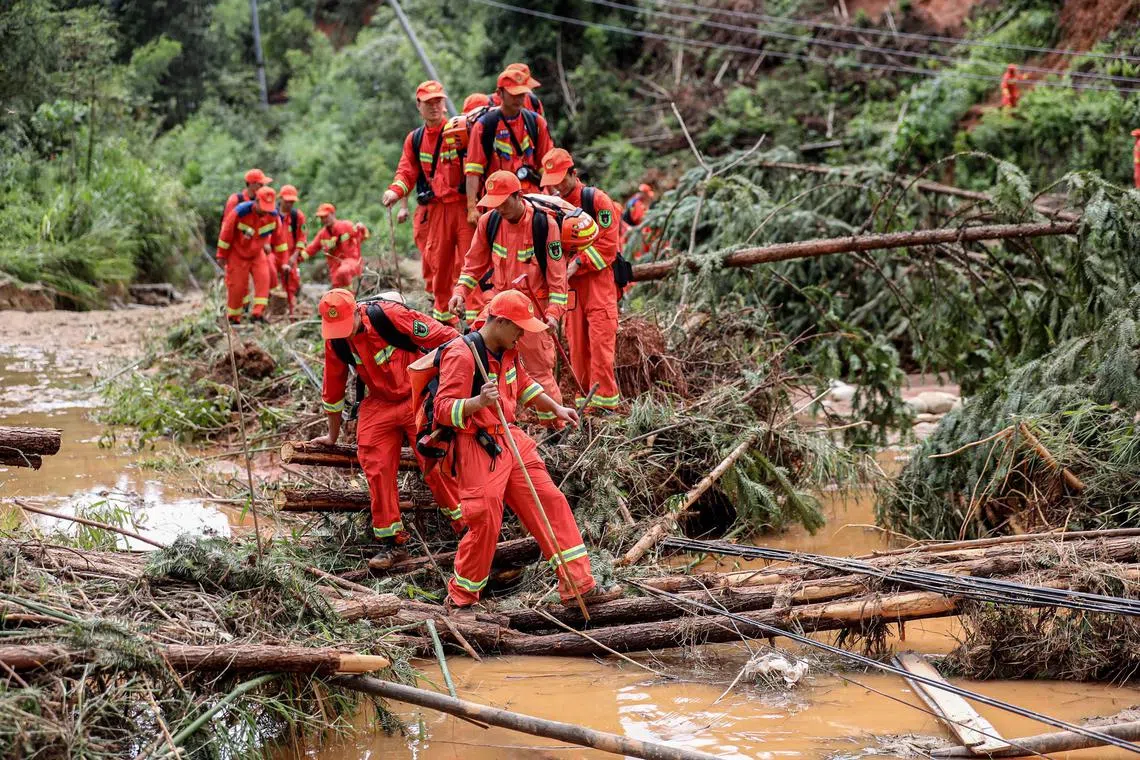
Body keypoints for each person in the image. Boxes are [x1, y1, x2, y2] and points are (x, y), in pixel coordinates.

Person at [433, 289, 615, 610]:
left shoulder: (509, 348)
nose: (522, 333)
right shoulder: (462, 355)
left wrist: (556, 408)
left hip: (511, 437)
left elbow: (526, 384)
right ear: (500, 321)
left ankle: (578, 585)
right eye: (518, 327)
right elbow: (443, 410)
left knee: (551, 501)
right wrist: (479, 402)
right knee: (485, 519)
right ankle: (461, 599)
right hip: (478, 444)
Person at [312, 288, 463, 560]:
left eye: (347, 325)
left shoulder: (390, 316)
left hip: (418, 396)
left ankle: (468, 529)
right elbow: (332, 391)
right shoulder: (335, 339)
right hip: (379, 401)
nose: (343, 332)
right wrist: (332, 436)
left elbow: (449, 338)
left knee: (435, 465)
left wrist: (451, 390)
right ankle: (393, 543)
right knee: (375, 464)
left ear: (358, 311)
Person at [449, 171, 573, 423]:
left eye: (504, 202)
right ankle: (490, 422)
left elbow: (558, 280)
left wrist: (552, 315)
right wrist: (460, 291)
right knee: (479, 358)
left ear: (518, 196)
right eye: (494, 203)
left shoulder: (543, 225)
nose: (499, 209)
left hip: (533, 312)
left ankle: (555, 429)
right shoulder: (489, 222)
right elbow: (473, 265)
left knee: (539, 372)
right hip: (499, 310)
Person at [382, 81, 476, 326]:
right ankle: (446, 330)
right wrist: (395, 192)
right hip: (435, 211)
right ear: (418, 105)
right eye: (429, 102)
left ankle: (478, 329)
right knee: (439, 270)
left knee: (471, 266)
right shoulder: (415, 139)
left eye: (438, 101)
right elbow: (406, 172)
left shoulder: (460, 131)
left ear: (444, 104)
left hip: (465, 207)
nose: (434, 107)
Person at [539, 149, 622, 413]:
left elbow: (608, 246)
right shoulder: (552, 206)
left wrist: (576, 264)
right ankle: (584, 407)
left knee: (601, 346)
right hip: (571, 290)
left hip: (598, 285)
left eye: (561, 179)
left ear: (573, 173)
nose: (557, 186)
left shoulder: (596, 200)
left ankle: (606, 405)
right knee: (576, 348)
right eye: (552, 180)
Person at [464, 67, 555, 222]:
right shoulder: (485, 126)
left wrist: (554, 196)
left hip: (533, 197)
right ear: (500, 94)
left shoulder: (536, 122)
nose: (519, 99)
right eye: (514, 94)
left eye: (522, 94)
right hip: (499, 201)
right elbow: (473, 170)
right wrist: (472, 207)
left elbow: (546, 162)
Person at [216, 186, 288, 324]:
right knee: (237, 288)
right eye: (263, 207)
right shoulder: (239, 212)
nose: (265, 212)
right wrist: (221, 255)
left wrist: (283, 261)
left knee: (263, 281)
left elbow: (280, 241)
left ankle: (257, 314)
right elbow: (226, 234)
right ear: (256, 201)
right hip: (237, 254)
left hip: (257, 253)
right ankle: (234, 318)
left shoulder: (273, 216)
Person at [303, 203, 365, 289]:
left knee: (343, 272)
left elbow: (362, 236)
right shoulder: (322, 234)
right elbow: (311, 249)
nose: (324, 219)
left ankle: (352, 297)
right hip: (334, 268)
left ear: (333, 214)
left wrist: (362, 228)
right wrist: (297, 258)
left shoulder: (346, 226)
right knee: (337, 290)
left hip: (350, 262)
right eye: (322, 217)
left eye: (326, 216)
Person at [274, 184, 305, 317]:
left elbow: (301, 237)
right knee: (273, 283)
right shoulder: (272, 214)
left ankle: (291, 313)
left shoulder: (297, 216)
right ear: (280, 199)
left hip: (292, 255)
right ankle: (274, 313)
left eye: (292, 202)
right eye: (287, 201)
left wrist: (295, 255)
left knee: (292, 284)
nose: (289, 204)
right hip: (275, 255)